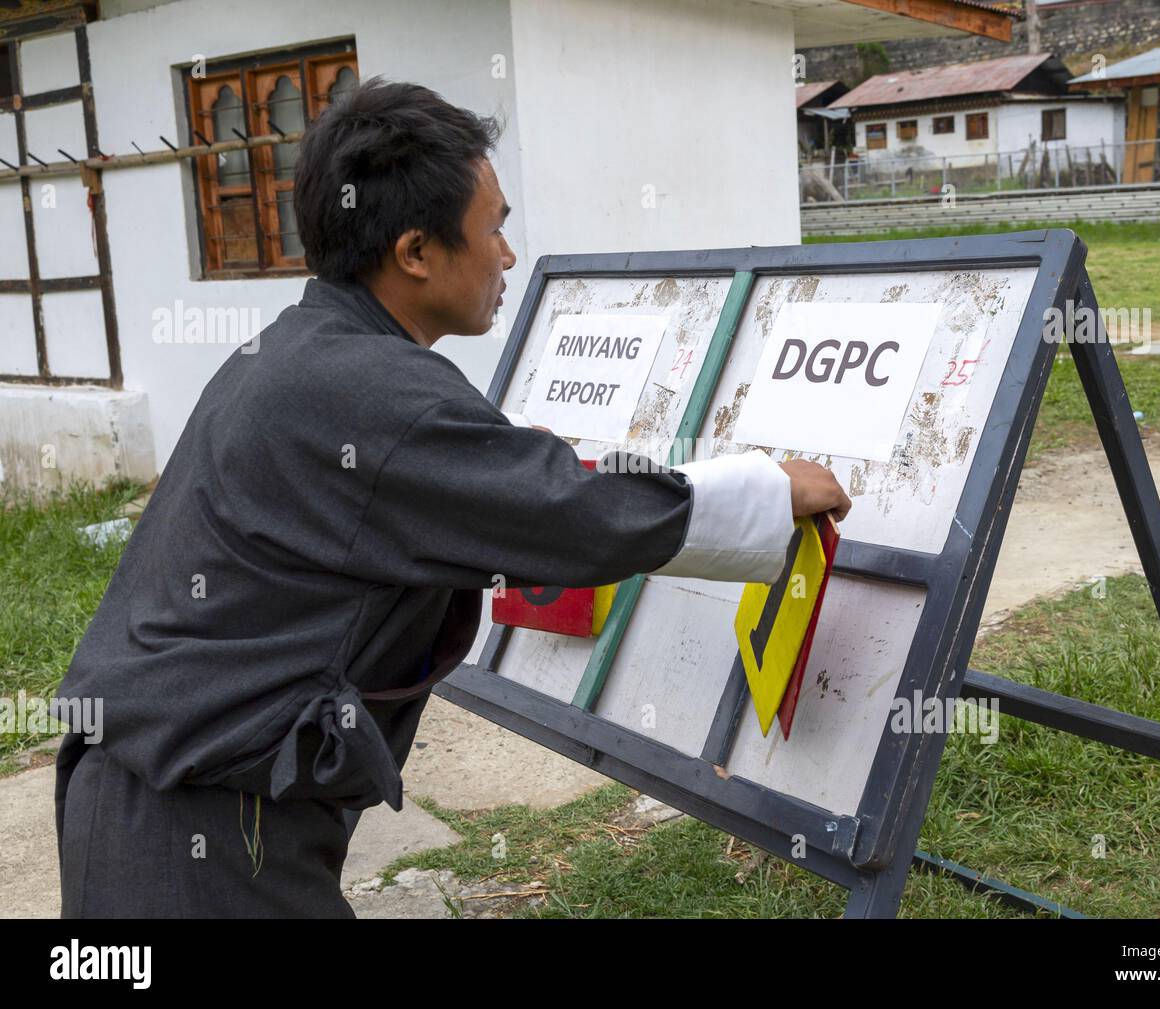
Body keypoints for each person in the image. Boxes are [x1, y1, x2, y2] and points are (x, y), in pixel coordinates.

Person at [53, 78, 851, 918]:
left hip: (147, 793)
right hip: (200, 837)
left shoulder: (297, 352)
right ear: (415, 252)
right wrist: (767, 489)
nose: (507, 254)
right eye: (494, 226)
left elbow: (487, 483)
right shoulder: (375, 392)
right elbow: (563, 512)